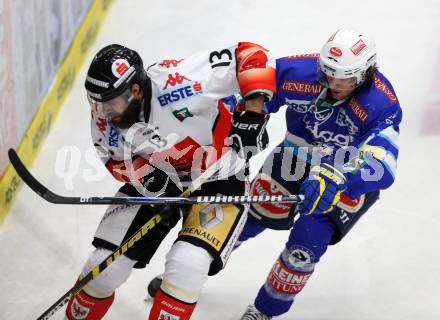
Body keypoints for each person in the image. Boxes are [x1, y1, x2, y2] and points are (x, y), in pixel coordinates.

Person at [65, 42, 275, 320]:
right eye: (94, 101)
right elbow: (115, 161)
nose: (100, 112)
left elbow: (249, 53)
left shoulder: (178, 80)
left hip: (222, 174)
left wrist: (253, 114)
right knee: (104, 266)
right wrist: (154, 187)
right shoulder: (104, 116)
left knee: (189, 263)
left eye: (108, 103)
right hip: (159, 174)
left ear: (135, 91)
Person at [236, 28, 402, 319]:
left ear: (367, 71)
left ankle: (266, 310)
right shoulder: (300, 72)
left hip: (344, 175)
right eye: (327, 73)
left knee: (306, 243)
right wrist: (240, 115)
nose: (334, 83)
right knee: (247, 218)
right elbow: (255, 86)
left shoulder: (381, 102)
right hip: (295, 155)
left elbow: (384, 165)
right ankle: (197, 263)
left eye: (346, 78)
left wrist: (341, 176)